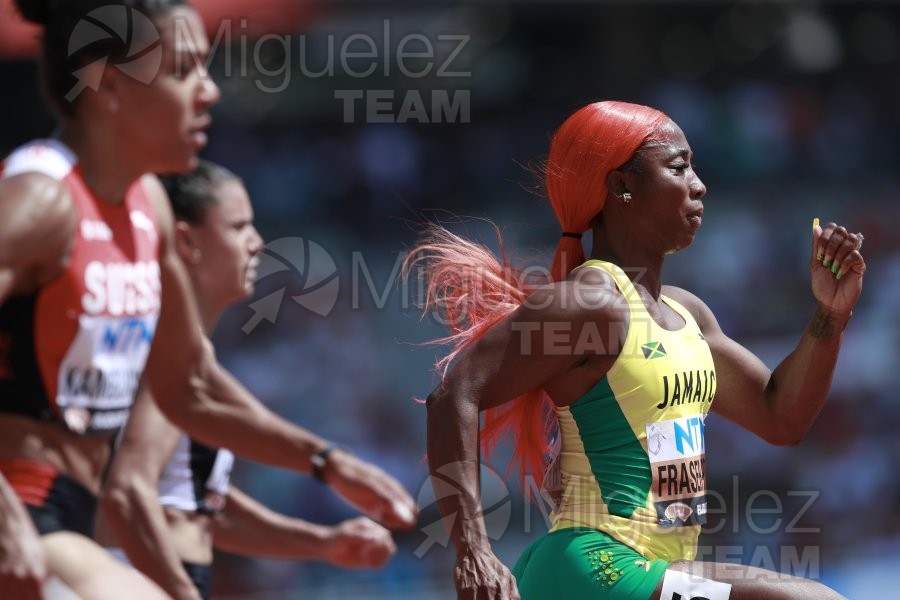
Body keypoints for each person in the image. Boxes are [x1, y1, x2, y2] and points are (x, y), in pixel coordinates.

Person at [0, 1, 415, 598]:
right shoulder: (40, 200)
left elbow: (189, 388)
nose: (211, 92)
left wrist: (327, 462)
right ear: (109, 86)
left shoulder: (150, 208)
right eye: (184, 69)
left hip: (66, 522)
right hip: (23, 506)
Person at [410, 100, 863, 599]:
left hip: (658, 564)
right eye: (679, 166)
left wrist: (830, 315)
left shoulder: (689, 315)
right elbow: (454, 396)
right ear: (622, 186)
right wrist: (473, 550)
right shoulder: (591, 304)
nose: (699, 184)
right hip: (597, 563)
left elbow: (782, 417)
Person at [97, 161, 397, 600]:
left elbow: (201, 506)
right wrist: (179, 591)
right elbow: (126, 492)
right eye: (239, 227)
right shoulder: (162, 348)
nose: (257, 244)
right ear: (186, 241)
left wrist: (322, 543)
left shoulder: (193, 350)